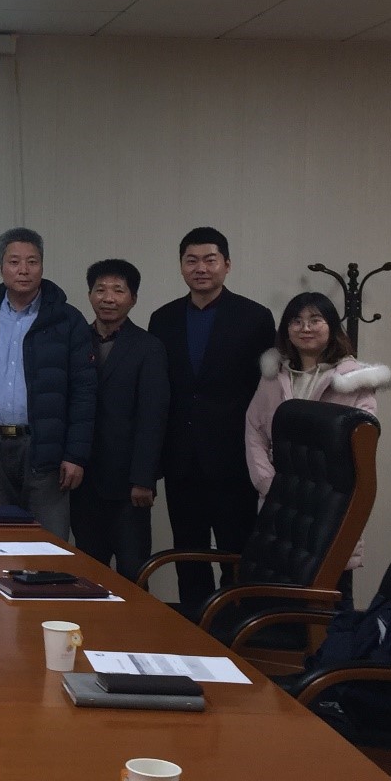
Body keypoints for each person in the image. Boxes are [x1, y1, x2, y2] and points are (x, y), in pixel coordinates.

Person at [147, 226, 275, 607]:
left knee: (237, 552)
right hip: (181, 460)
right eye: (191, 261)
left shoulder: (255, 317)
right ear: (181, 267)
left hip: (234, 458)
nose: (200, 268)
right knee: (188, 553)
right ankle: (193, 624)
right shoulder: (163, 319)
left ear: (227, 265)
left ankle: (236, 627)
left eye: (209, 260)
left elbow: (265, 391)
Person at [245, 291, 390, 600]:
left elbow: (362, 442)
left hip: (331, 500)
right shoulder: (273, 376)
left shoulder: (355, 380)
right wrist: (268, 483)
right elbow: (254, 430)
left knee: (331, 591)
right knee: (280, 585)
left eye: (315, 320)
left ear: (332, 326)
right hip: (280, 497)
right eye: (296, 321)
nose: (305, 328)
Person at [0, 227, 95, 540]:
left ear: (42, 266)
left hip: (45, 448)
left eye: (32, 262)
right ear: (0, 267)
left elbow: (85, 392)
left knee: (48, 543)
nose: (23, 270)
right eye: (14, 262)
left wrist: (75, 456)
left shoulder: (67, 320)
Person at [69, 260, 169, 581]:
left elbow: (153, 417)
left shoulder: (149, 347)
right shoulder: (75, 341)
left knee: (132, 571)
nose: (108, 298)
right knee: (88, 571)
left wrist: (144, 478)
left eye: (118, 290)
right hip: (83, 480)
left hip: (128, 485)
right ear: (89, 295)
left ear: (133, 298)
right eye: (100, 290)